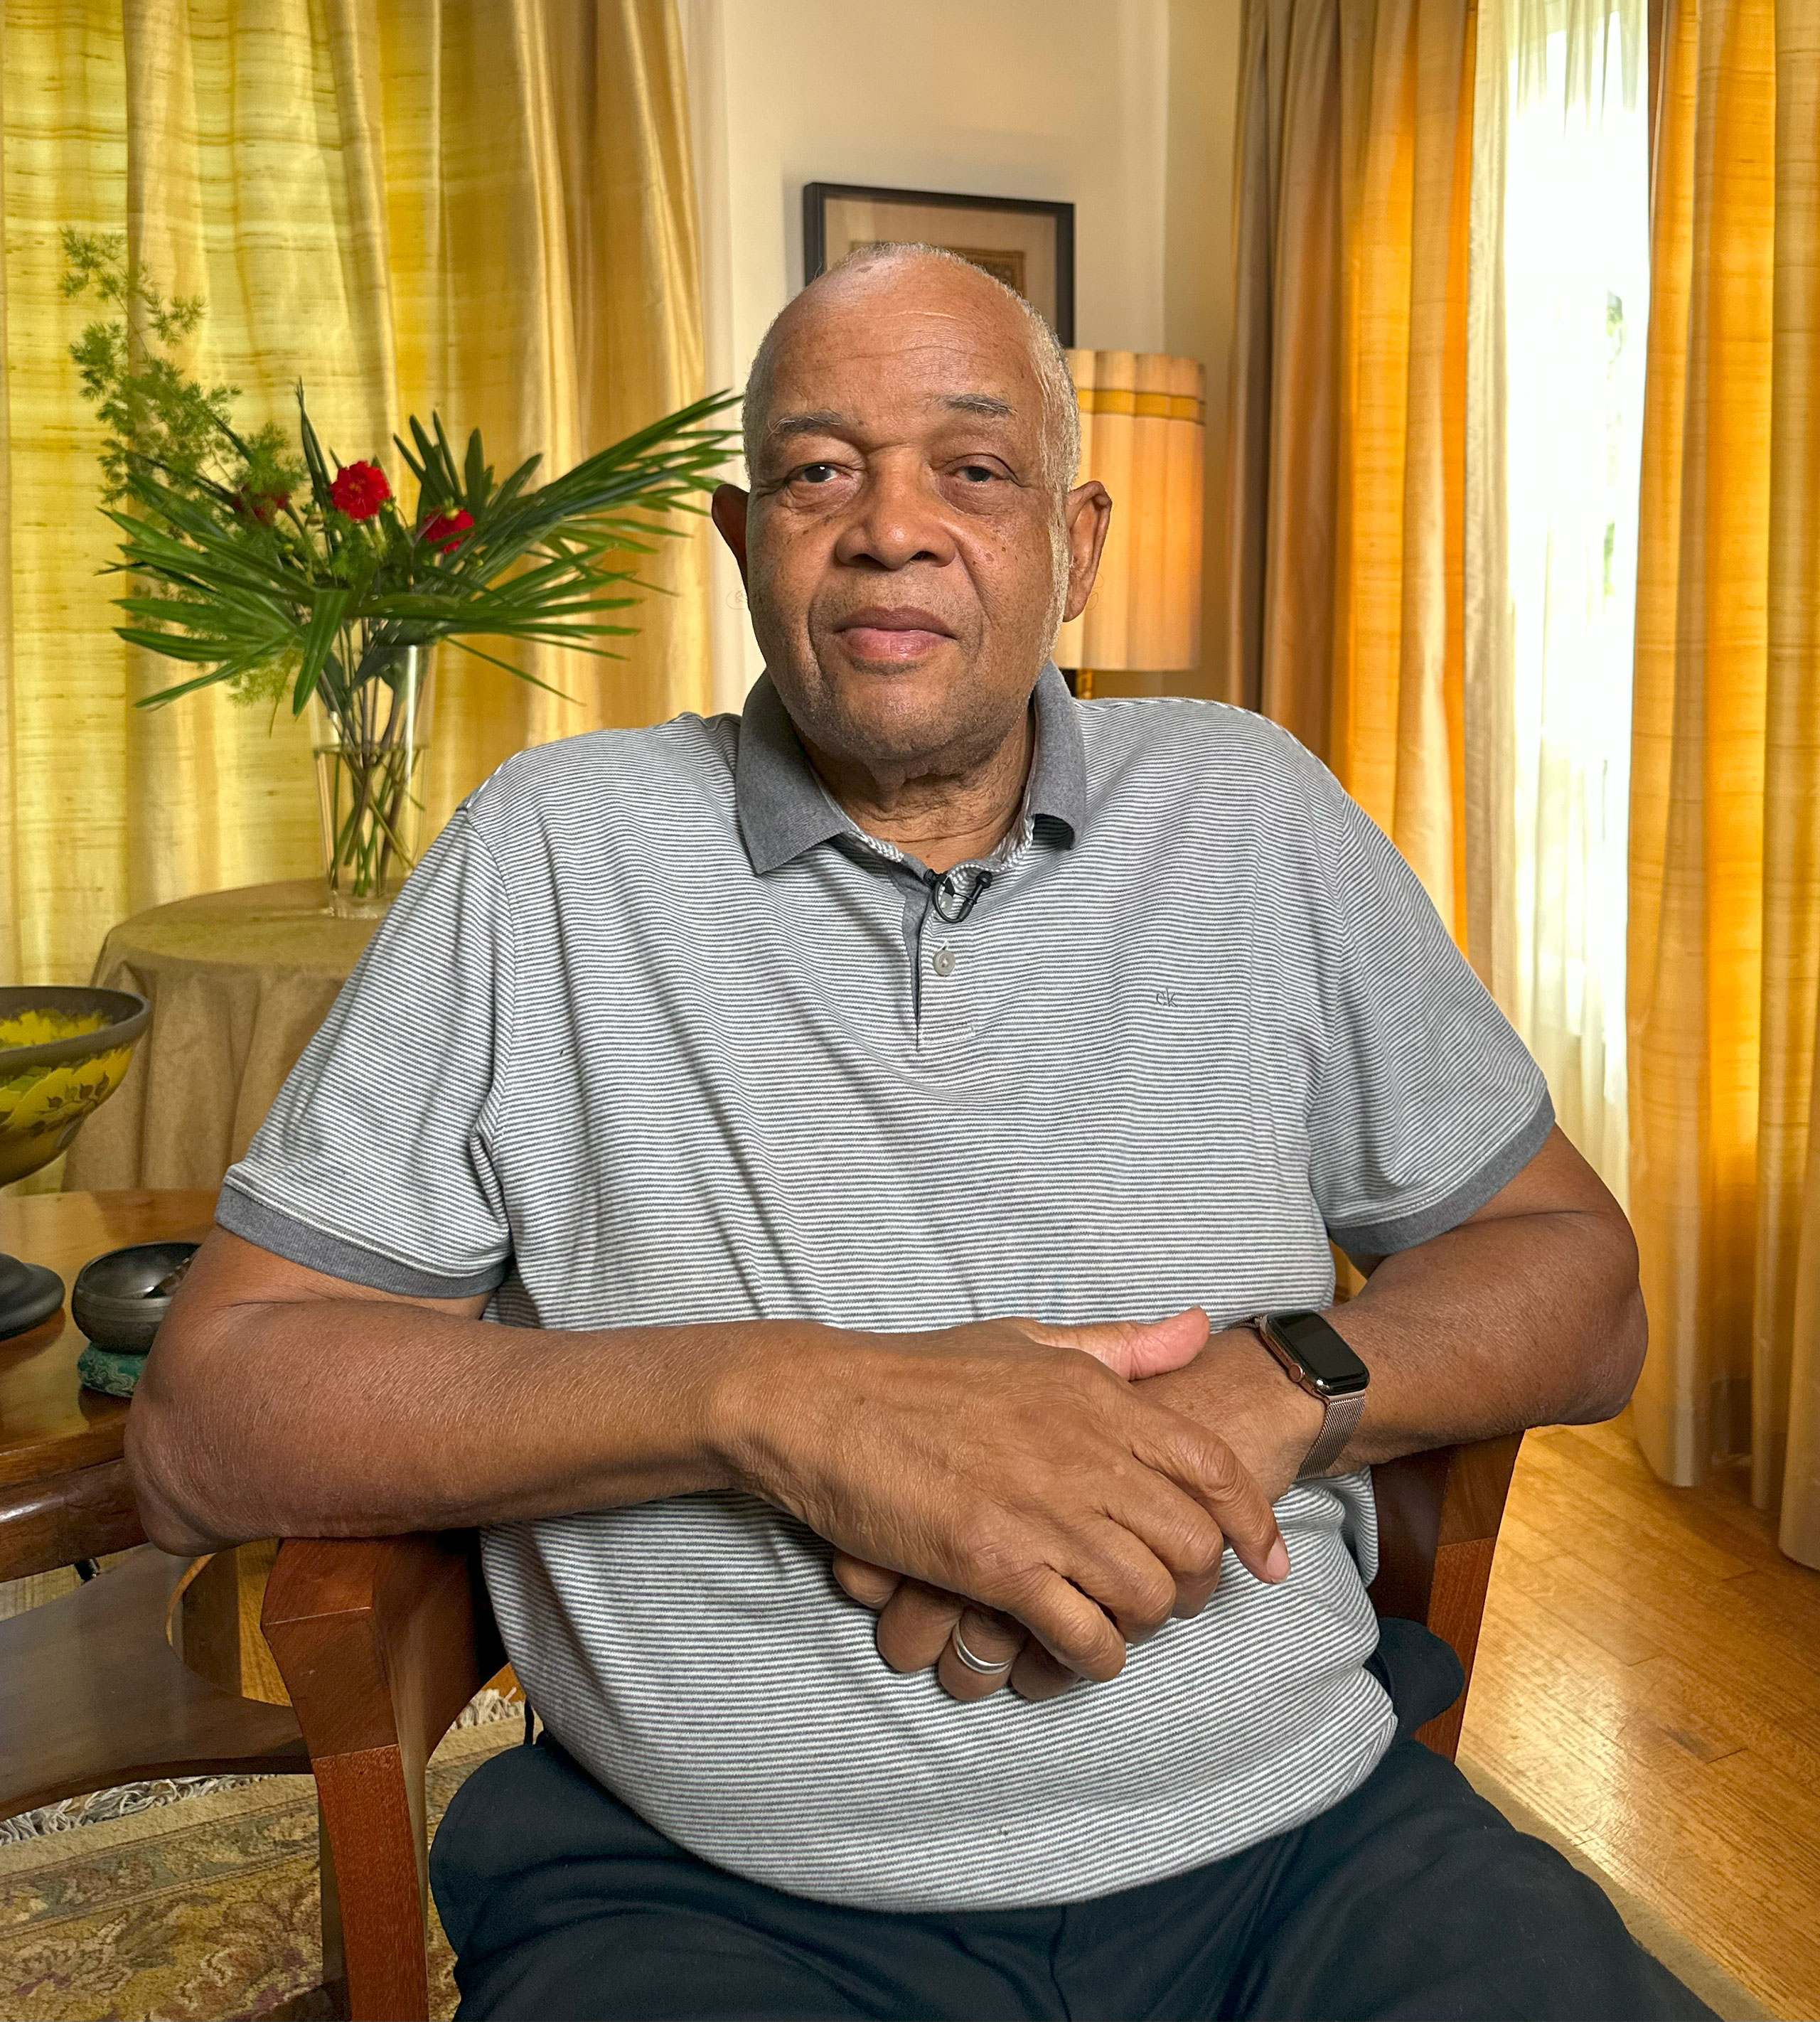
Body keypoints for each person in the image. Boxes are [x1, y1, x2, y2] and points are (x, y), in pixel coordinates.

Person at [129, 244, 1713, 2022]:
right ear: (744, 548)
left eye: (971, 467)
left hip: (1302, 1852)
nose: (889, 526)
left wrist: (1259, 1395)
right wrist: (791, 1411)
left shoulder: (1255, 813)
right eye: (818, 471)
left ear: (1077, 543)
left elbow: (1580, 1286)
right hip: (713, 1900)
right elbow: (207, 1422)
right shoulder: (551, 852)